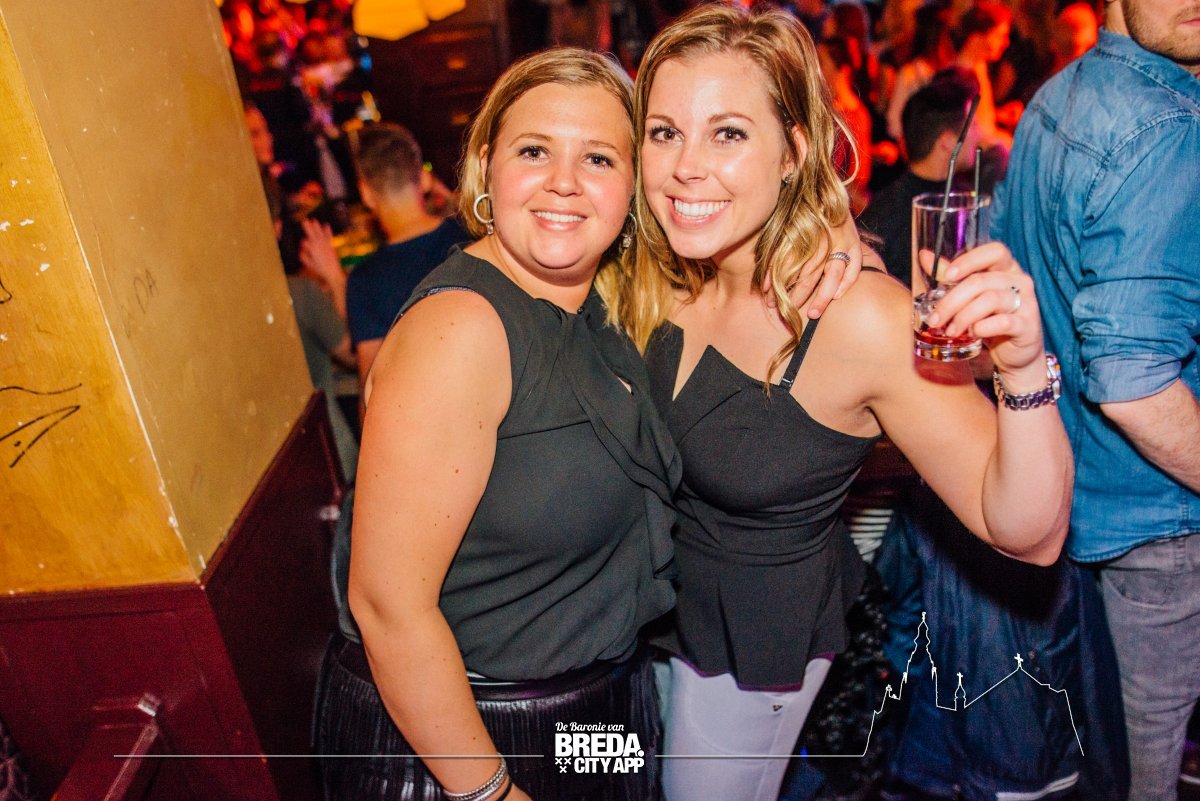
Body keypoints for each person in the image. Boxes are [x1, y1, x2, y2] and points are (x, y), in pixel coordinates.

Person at [612, 7, 1074, 800]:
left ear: (794, 152)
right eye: (664, 132)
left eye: (728, 134)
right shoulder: (661, 269)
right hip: (649, 626)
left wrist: (1024, 364)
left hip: (749, 659)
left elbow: (1029, 531)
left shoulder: (856, 315)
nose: (686, 166)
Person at [318, 48, 678, 801]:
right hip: (473, 733)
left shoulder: (597, 300)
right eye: (534, 150)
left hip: (593, 715)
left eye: (599, 158)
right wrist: (488, 792)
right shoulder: (462, 329)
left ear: (633, 187)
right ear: (486, 168)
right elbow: (387, 605)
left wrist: (840, 255)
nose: (564, 182)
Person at [991, 0, 1200, 795]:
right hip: (1162, 521)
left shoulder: (1060, 94)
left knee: (1114, 756)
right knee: (1150, 770)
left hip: (1077, 502)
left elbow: (1003, 274)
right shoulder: (1168, 127)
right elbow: (1135, 387)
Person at [342, 123, 467, 385]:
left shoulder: (365, 282)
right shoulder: (471, 235)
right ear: (425, 179)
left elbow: (372, 389)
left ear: (366, 194)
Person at [860, 67, 982, 283]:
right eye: (972, 126)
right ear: (947, 142)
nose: (979, 134)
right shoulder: (886, 220)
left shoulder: (965, 197)